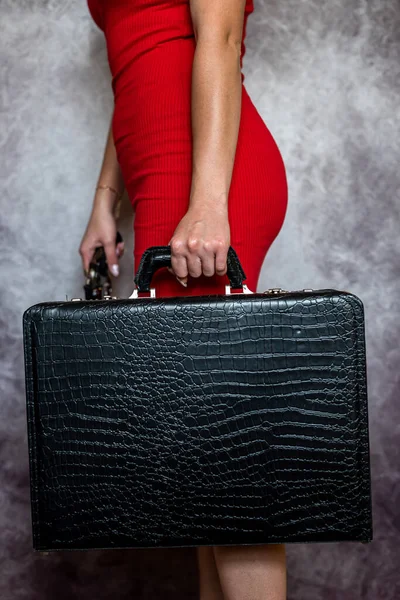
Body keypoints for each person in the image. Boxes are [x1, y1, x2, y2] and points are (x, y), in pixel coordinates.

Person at [79, 0, 288, 598]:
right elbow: (137, 65)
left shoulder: (205, 196)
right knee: (200, 462)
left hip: (208, 176)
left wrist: (208, 203)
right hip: (161, 181)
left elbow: (218, 42)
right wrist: (105, 200)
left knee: (225, 462)